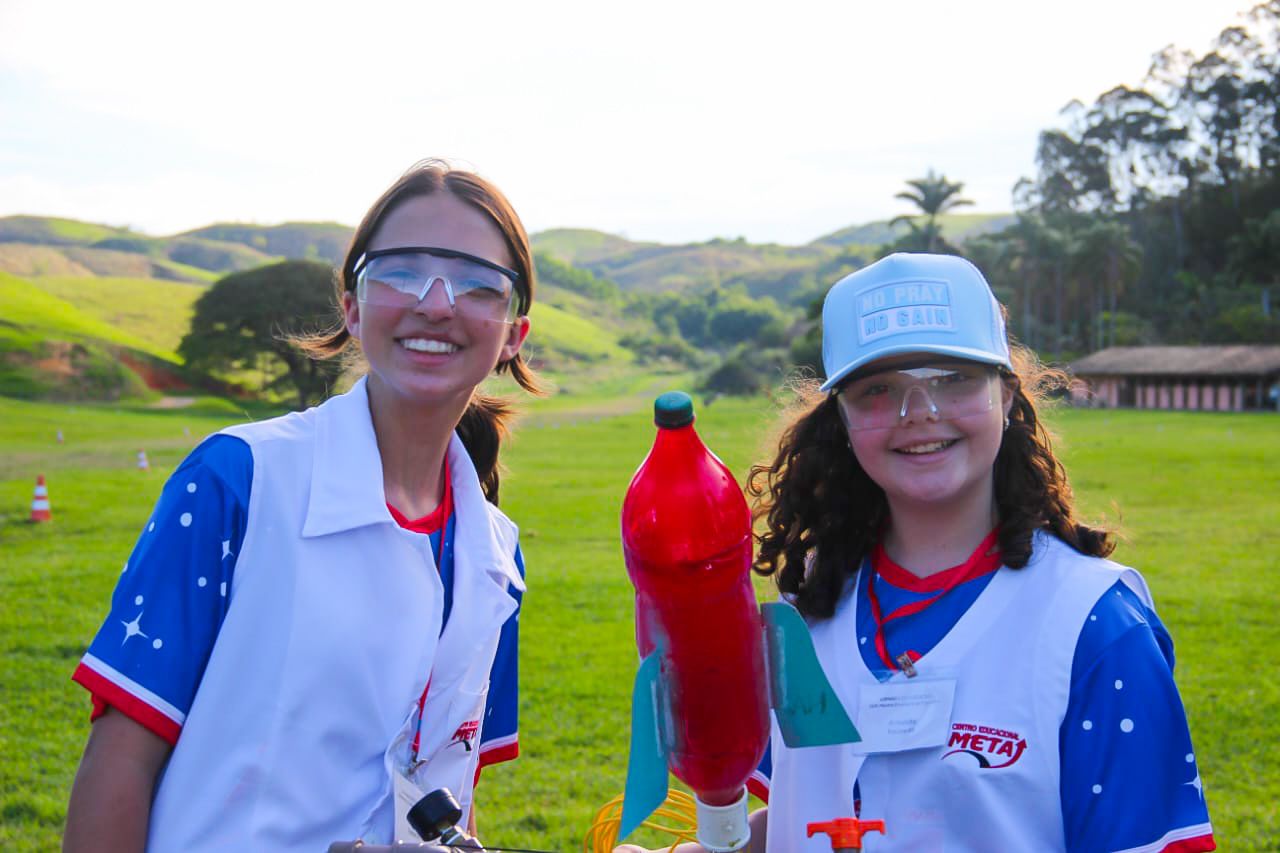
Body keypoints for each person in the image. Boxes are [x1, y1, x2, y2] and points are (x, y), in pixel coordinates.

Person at [625, 253, 1215, 852]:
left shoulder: (1094, 626)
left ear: (1006, 394)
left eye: (953, 379)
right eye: (879, 389)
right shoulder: (809, 602)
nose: (919, 414)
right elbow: (808, 817)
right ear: (843, 419)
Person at [64, 160, 538, 852]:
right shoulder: (238, 481)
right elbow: (121, 762)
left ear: (514, 334)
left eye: (476, 283)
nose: (437, 303)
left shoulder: (498, 558)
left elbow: (452, 795)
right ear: (351, 304)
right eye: (402, 271)